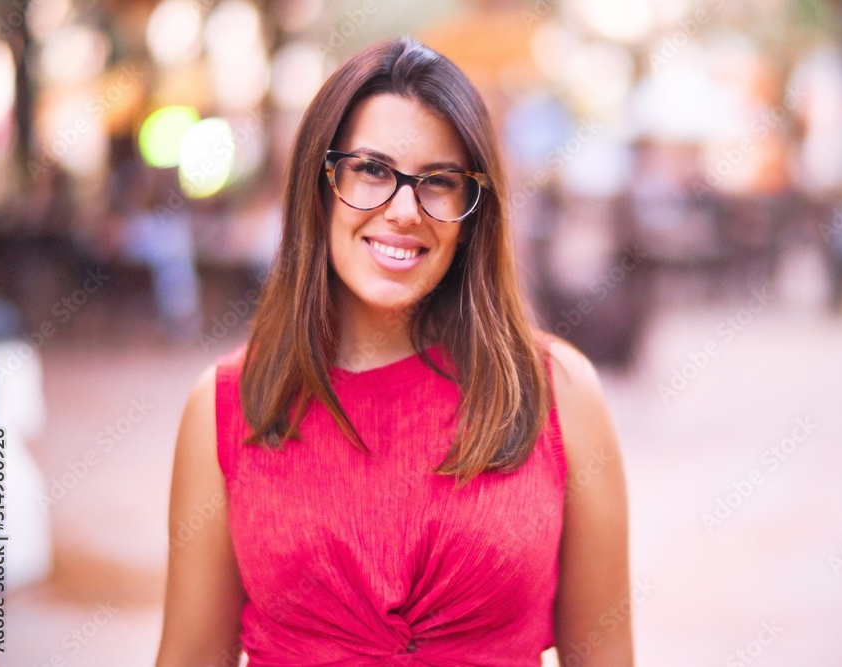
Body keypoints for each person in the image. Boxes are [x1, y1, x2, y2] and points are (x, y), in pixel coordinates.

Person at [155, 37, 632, 666]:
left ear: (472, 210)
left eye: (439, 181)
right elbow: (190, 655)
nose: (403, 209)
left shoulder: (557, 394)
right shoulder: (228, 405)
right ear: (319, 185)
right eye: (372, 170)